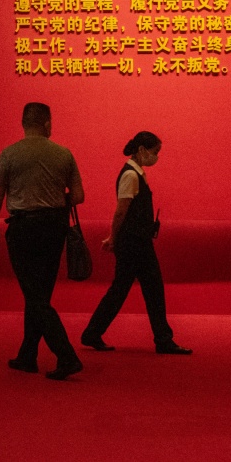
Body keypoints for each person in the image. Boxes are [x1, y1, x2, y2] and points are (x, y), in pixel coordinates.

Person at [0, 102, 86, 380]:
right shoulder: (63, 154)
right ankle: (27, 355)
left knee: (34, 295)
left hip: (23, 228)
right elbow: (78, 195)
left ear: (23, 123)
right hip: (54, 227)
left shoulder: (9, 154)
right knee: (40, 294)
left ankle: (66, 356)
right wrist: (55, 201)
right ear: (47, 124)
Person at [79, 131, 192, 354]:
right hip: (135, 244)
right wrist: (112, 237)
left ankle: (93, 333)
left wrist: (114, 238)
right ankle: (162, 339)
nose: (156, 157)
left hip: (135, 242)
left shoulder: (134, 173)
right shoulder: (131, 176)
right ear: (141, 150)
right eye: (155, 152)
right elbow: (121, 211)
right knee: (149, 289)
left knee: (124, 289)